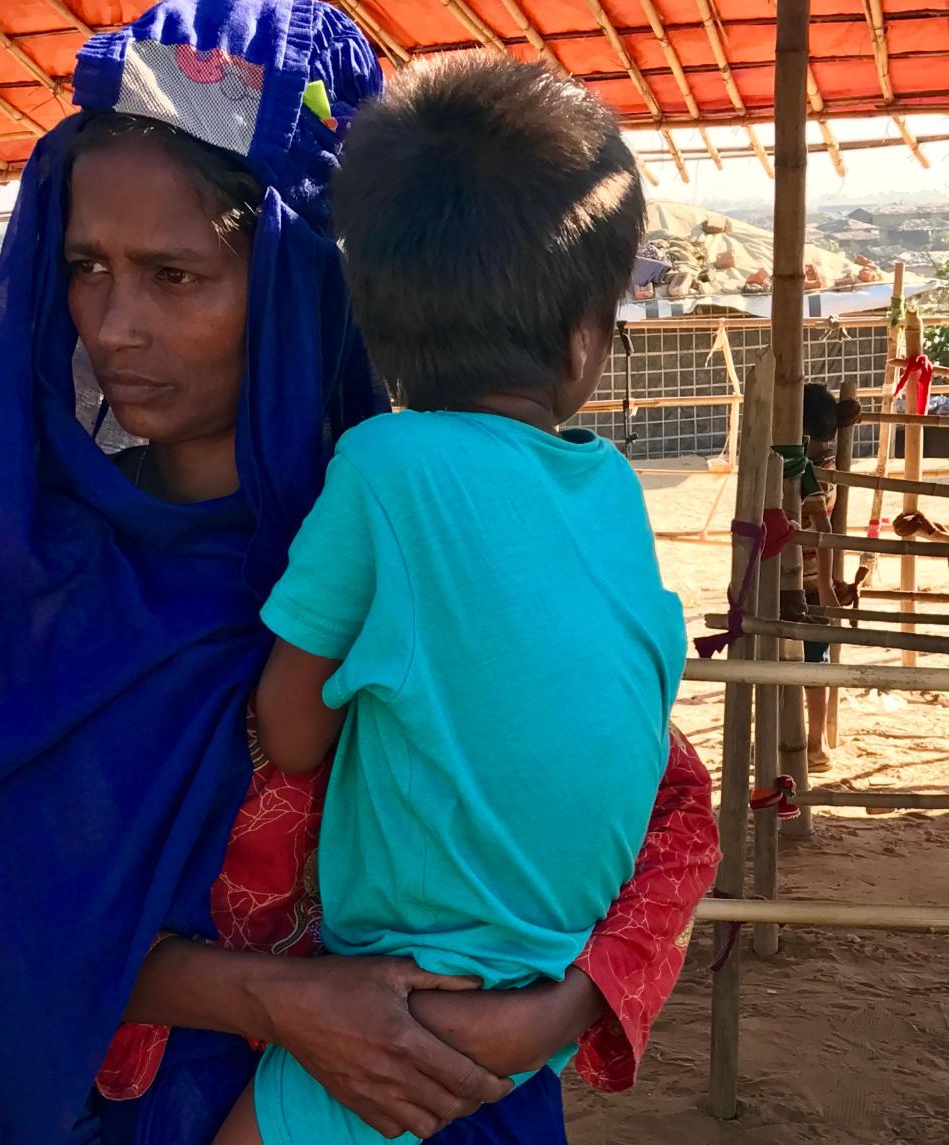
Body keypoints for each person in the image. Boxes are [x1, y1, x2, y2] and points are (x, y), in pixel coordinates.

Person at [0, 3, 719, 1144]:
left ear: (297, 282)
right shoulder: (28, 580)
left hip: (440, 1097)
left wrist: (560, 1009)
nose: (114, 325)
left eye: (175, 275)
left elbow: (659, 802)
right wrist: (277, 997)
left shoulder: (429, 532)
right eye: (87, 267)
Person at [208, 55, 687, 1145]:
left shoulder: (384, 466)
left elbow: (286, 731)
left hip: (406, 999)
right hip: (556, 975)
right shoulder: (611, 484)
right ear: (583, 335)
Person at [800, 382, 861, 771]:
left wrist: (823, 585)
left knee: (810, 667)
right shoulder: (829, 465)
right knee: (811, 664)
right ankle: (810, 741)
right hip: (806, 580)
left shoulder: (807, 473)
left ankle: (813, 743)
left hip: (804, 582)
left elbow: (821, 527)